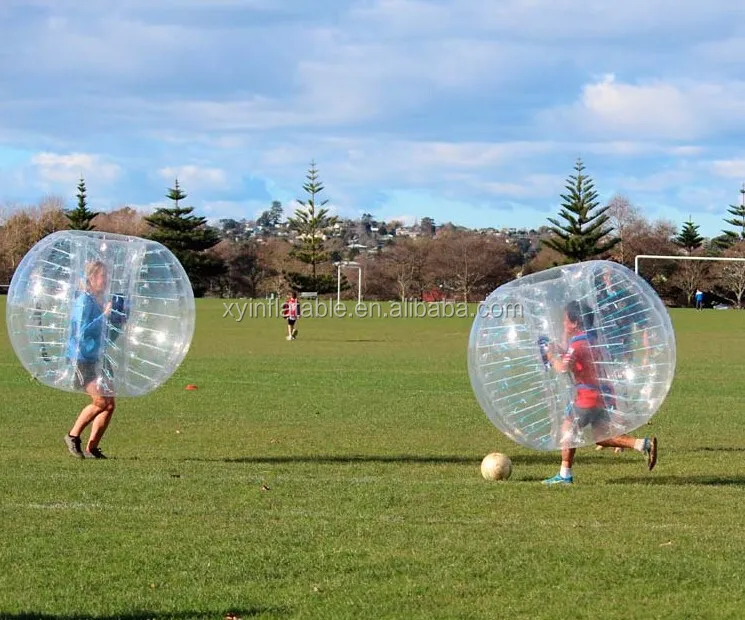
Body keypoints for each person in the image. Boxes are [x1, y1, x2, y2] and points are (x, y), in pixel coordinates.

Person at [542, 300, 658, 485]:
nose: (563, 324)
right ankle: (642, 444)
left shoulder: (577, 343)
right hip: (602, 396)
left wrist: (550, 356)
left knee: (567, 429)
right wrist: (560, 349)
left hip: (587, 397)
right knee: (601, 438)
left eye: (565, 320)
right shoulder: (594, 339)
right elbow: (581, 358)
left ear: (575, 323)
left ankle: (565, 475)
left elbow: (564, 368)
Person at [63, 261, 116, 459]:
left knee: (109, 404)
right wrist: (104, 316)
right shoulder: (84, 301)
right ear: (91, 278)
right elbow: (82, 331)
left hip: (98, 357)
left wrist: (117, 319)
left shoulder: (98, 300)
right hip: (82, 358)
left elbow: (105, 334)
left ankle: (92, 448)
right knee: (101, 401)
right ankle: (72, 435)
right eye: (103, 276)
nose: (106, 280)